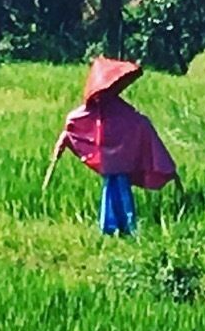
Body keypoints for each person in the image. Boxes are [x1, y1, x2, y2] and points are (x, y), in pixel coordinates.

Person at [50, 57, 177, 236]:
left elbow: (135, 120)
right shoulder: (93, 109)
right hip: (109, 158)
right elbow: (75, 122)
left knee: (120, 188)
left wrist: (144, 126)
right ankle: (115, 226)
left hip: (120, 157)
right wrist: (66, 137)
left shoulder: (115, 105)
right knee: (112, 188)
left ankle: (123, 226)